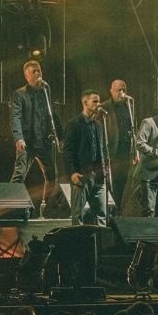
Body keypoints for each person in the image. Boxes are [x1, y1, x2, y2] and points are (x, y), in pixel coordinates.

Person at [9, 59, 60, 216]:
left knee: (52, 176)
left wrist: (60, 134)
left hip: (43, 142)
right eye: (34, 72)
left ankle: (45, 208)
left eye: (39, 71)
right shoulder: (20, 94)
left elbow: (52, 114)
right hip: (27, 142)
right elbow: (15, 117)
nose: (38, 74)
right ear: (26, 76)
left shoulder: (45, 91)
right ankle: (11, 208)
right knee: (19, 174)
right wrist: (18, 138)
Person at [62, 90, 109, 226]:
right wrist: (72, 173)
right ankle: (78, 245)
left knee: (102, 214)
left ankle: (101, 245)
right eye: (95, 101)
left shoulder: (99, 125)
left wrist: (104, 168)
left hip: (98, 175)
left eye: (99, 101)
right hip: (82, 174)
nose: (98, 104)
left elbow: (102, 148)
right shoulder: (74, 124)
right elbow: (68, 151)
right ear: (85, 102)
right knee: (78, 215)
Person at [102, 79, 137, 213]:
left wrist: (134, 152)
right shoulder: (104, 107)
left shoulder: (129, 105)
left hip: (125, 150)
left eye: (124, 90)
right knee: (111, 181)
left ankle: (117, 210)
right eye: (118, 90)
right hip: (111, 150)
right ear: (111, 91)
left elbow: (134, 129)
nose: (122, 93)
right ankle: (109, 211)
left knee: (122, 181)